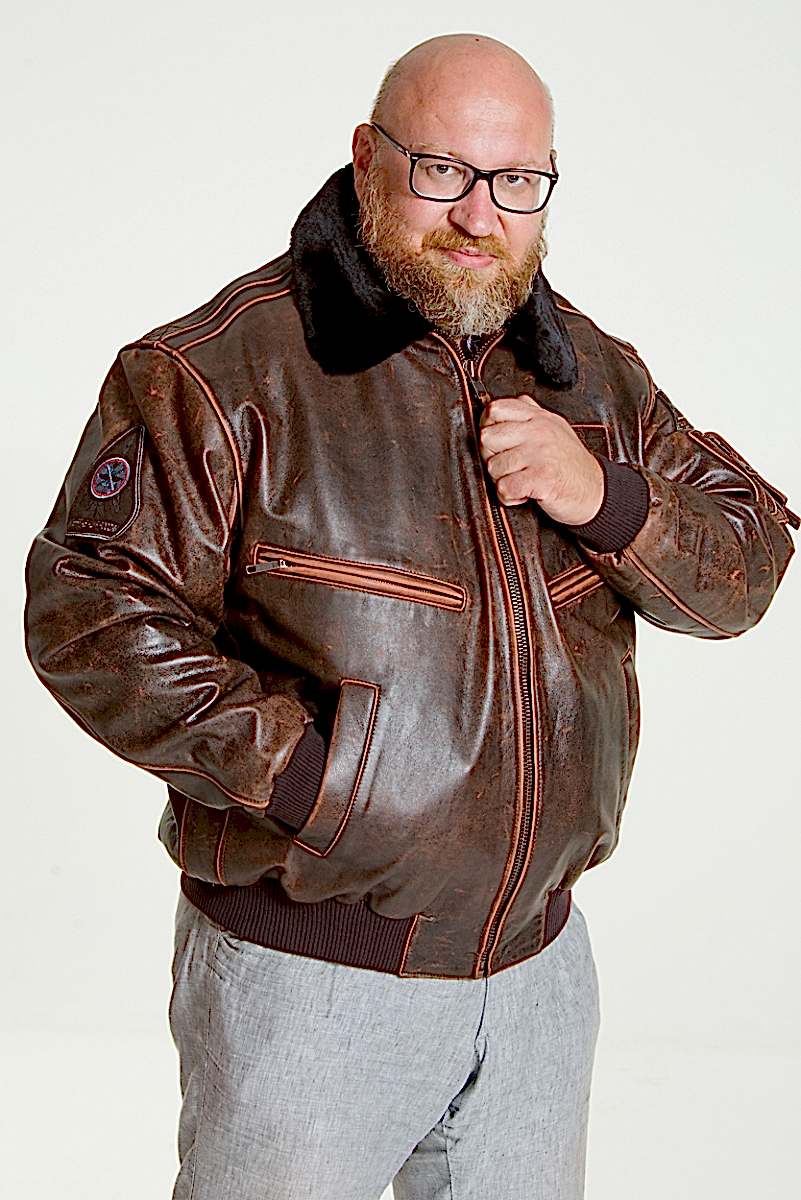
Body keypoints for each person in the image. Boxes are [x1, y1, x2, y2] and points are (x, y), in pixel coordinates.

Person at [23, 31, 797, 1200]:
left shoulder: (590, 375)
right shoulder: (221, 374)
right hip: (307, 982)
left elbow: (752, 555)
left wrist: (605, 496)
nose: (481, 216)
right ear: (367, 157)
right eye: (444, 171)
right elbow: (90, 609)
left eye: (518, 181)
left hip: (538, 979)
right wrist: (319, 783)